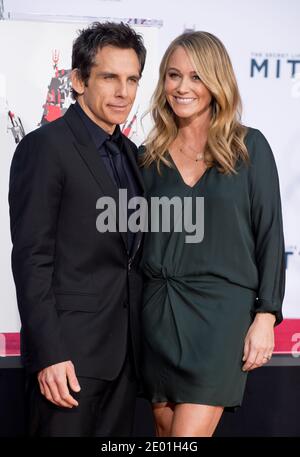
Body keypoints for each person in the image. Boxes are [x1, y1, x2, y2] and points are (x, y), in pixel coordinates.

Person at [139, 31, 285, 437]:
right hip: (159, 316)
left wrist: (266, 315)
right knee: (167, 438)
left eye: (196, 76)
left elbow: (270, 235)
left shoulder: (249, 148)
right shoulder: (147, 158)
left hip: (221, 318)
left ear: (217, 82)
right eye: (173, 75)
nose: (182, 87)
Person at [9, 22, 146, 437]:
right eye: (109, 77)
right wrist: (50, 354)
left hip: (124, 360)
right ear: (78, 80)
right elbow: (31, 257)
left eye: (132, 79)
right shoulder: (46, 146)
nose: (123, 91)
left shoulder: (132, 154)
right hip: (67, 360)